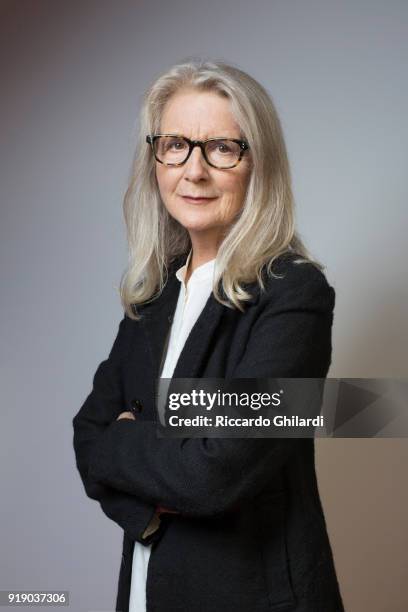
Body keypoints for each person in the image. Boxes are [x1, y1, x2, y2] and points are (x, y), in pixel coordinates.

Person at [72, 59, 345, 612]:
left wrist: (130, 437)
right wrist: (148, 510)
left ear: (258, 164)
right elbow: (87, 435)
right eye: (175, 144)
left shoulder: (294, 293)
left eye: (222, 147)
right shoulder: (154, 299)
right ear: (155, 157)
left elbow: (214, 472)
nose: (193, 170)